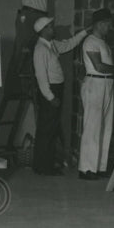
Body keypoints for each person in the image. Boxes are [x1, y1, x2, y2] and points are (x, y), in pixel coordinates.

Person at [79, 8, 114, 180]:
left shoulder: (103, 43)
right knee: (93, 127)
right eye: (108, 24)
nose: (110, 27)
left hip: (107, 84)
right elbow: (99, 66)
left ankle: (99, 167)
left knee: (106, 127)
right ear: (99, 24)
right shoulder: (90, 41)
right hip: (94, 84)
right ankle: (86, 168)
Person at [31, 16, 88, 176]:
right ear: (42, 30)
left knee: (51, 129)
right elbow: (41, 77)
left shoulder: (52, 45)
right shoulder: (40, 50)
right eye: (50, 27)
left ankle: (46, 165)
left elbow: (69, 44)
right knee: (46, 130)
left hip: (56, 90)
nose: (53, 29)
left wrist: (84, 32)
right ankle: (43, 167)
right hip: (50, 92)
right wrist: (50, 97)